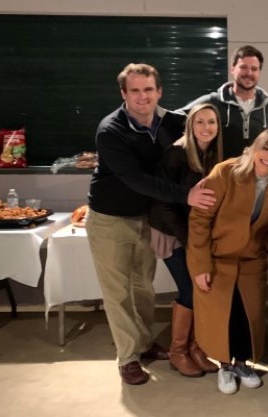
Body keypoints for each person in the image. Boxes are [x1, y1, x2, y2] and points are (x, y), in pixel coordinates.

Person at [87, 63, 216, 385]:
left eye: (148, 89)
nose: (142, 96)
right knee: (118, 291)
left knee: (143, 287)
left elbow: (201, 135)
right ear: (124, 94)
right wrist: (186, 196)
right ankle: (128, 357)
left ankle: (143, 345)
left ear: (159, 91)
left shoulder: (173, 122)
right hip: (110, 219)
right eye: (135, 90)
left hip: (147, 218)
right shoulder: (111, 130)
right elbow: (137, 179)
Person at [187, 127, 268, 394]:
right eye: (266, 148)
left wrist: (262, 246)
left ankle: (242, 363)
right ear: (254, 148)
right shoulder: (226, 172)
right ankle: (225, 365)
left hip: (251, 261)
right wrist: (200, 266)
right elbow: (200, 220)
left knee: (249, 316)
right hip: (217, 258)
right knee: (223, 315)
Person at [149, 103, 224, 377]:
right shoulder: (177, 154)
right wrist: (191, 240)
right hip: (171, 232)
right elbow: (163, 203)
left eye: (212, 122)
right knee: (190, 289)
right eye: (200, 122)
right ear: (191, 125)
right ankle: (178, 352)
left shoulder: (212, 155)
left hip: (193, 233)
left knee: (202, 289)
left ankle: (196, 347)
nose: (206, 128)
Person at [180, 45, 268, 159]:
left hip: (256, 176)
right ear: (232, 69)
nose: (249, 73)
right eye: (243, 67)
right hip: (220, 175)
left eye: (254, 69)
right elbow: (175, 119)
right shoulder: (212, 102)